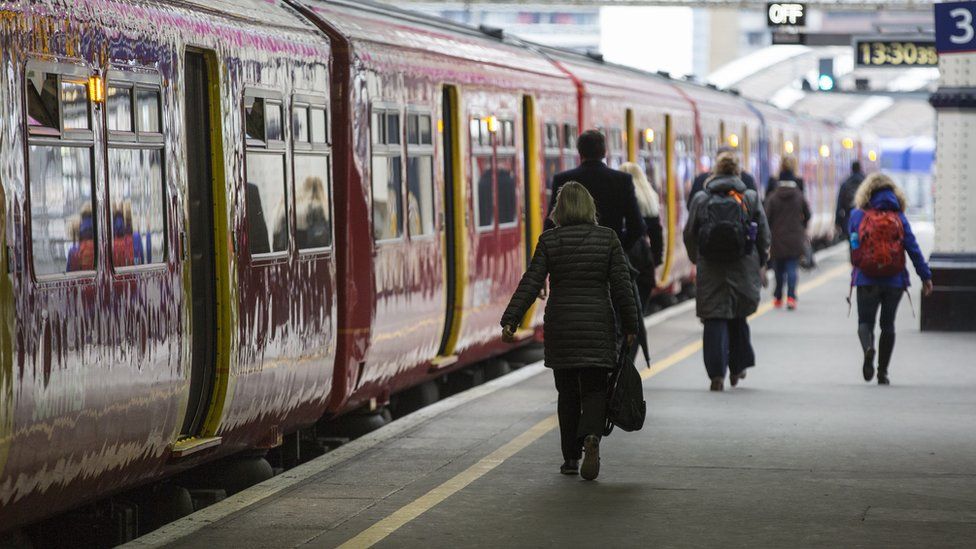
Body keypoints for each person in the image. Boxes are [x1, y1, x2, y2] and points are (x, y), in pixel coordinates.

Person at [502, 182, 639, 481]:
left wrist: (511, 319)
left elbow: (531, 281)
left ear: (559, 210)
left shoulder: (550, 241)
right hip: (597, 325)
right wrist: (631, 326)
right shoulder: (608, 238)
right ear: (590, 207)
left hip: (562, 326)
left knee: (566, 394)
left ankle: (569, 459)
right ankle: (591, 436)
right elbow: (622, 287)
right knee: (593, 388)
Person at [684, 151, 770, 391]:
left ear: (715, 172)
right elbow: (763, 234)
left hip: (710, 267)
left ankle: (716, 375)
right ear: (737, 172)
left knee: (714, 317)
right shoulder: (750, 198)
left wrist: (696, 258)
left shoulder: (701, 199)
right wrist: (761, 260)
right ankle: (738, 367)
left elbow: (689, 233)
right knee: (737, 314)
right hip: (743, 265)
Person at [849, 173, 933, 385]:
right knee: (888, 326)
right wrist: (925, 276)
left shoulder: (857, 215)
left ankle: (868, 348)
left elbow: (854, 246)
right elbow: (913, 248)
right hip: (894, 281)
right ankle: (882, 372)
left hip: (866, 279)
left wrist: (858, 265)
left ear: (866, 192)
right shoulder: (899, 217)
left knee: (865, 322)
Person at [546, 130, 646, 250]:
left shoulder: (562, 179)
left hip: (573, 260)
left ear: (580, 152)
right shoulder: (622, 180)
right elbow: (637, 226)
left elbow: (550, 226)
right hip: (610, 261)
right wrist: (617, 247)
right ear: (604, 152)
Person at [619, 162, 663, 310]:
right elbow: (657, 233)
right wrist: (654, 260)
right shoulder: (650, 198)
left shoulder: (625, 197)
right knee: (639, 312)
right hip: (644, 262)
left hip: (628, 259)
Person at [764, 178, 811, 310]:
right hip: (794, 238)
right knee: (792, 268)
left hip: (777, 238)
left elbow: (766, 218)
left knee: (778, 270)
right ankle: (791, 297)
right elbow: (808, 214)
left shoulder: (772, 197)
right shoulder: (798, 196)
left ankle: (778, 297)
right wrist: (802, 226)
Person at [686, 146, 757, 210]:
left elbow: (691, 207)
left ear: (716, 162)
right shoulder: (747, 179)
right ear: (735, 161)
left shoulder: (701, 180)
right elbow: (757, 214)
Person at [836, 160, 865, 242]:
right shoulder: (866, 182)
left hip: (850, 221)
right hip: (865, 221)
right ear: (860, 169)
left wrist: (837, 222)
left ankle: (854, 253)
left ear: (851, 169)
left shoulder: (846, 183)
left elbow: (839, 205)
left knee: (853, 246)